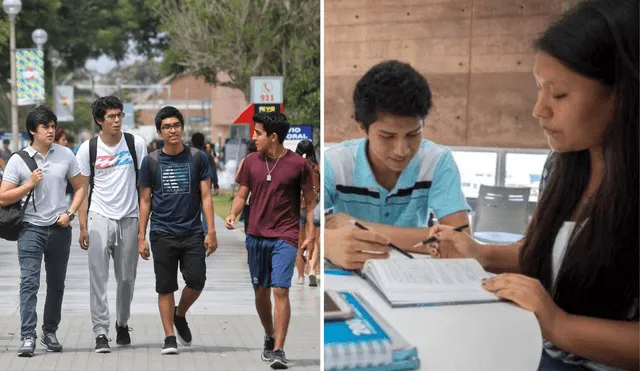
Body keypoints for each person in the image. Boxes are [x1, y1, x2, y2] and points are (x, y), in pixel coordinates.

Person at [425, 1, 639, 369]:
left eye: (558, 94)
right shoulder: (564, 164)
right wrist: (481, 253)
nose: (539, 109)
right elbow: (558, 252)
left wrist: (558, 323)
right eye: (539, 89)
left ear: (623, 95)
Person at [323, 60, 470, 270]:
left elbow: (460, 241)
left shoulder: (438, 161)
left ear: (423, 124)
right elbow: (303, 225)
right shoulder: (335, 163)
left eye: (413, 134)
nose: (402, 150)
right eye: (387, 136)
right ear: (361, 126)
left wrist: (360, 227)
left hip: (413, 277)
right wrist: (327, 244)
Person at [225, 112, 316, 369]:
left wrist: (309, 234)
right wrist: (232, 213)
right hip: (255, 236)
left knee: (280, 289)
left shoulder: (298, 164)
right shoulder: (251, 162)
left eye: (258, 133)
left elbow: (310, 202)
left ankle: (279, 350)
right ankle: (269, 334)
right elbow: (242, 195)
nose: (254, 138)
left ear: (273, 137)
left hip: (285, 236)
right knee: (261, 292)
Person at [0, 105, 87, 357]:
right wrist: (29, 184)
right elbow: (3, 198)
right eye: (45, 127)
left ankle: (50, 331)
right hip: (30, 230)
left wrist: (70, 213)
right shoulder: (18, 160)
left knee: (57, 285)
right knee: (29, 283)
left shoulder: (66, 154)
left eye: (52, 126)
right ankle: (28, 336)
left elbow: (81, 187)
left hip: (59, 230)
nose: (51, 130)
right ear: (32, 130)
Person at [137, 106, 218, 355]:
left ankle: (179, 314)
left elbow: (205, 195)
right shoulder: (150, 161)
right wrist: (141, 236)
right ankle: (169, 337)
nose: (173, 130)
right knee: (165, 286)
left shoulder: (197, 158)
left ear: (182, 127)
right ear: (160, 131)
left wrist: (211, 230)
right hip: (161, 232)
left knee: (196, 281)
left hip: (192, 231)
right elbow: (145, 201)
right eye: (167, 126)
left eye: (176, 125)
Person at [75, 96, 148, 353]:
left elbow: (144, 188)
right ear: (99, 120)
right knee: (98, 277)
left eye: (119, 115)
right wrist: (83, 226)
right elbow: (82, 190)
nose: (117, 121)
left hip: (129, 217)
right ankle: (100, 332)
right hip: (99, 217)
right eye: (111, 117)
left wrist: (142, 232)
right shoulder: (88, 149)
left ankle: (122, 322)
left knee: (126, 278)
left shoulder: (135, 144)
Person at [294, 140, 321, 286]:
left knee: (299, 244)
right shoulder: (316, 167)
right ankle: (312, 270)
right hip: (313, 207)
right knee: (313, 241)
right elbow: (318, 187)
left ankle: (300, 276)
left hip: (298, 207)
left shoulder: (295, 166)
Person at [237, 140, 258, 234]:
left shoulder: (245, 160)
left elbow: (238, 176)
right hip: (260, 195)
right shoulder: (264, 159)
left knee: (248, 221)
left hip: (248, 196)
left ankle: (248, 240)